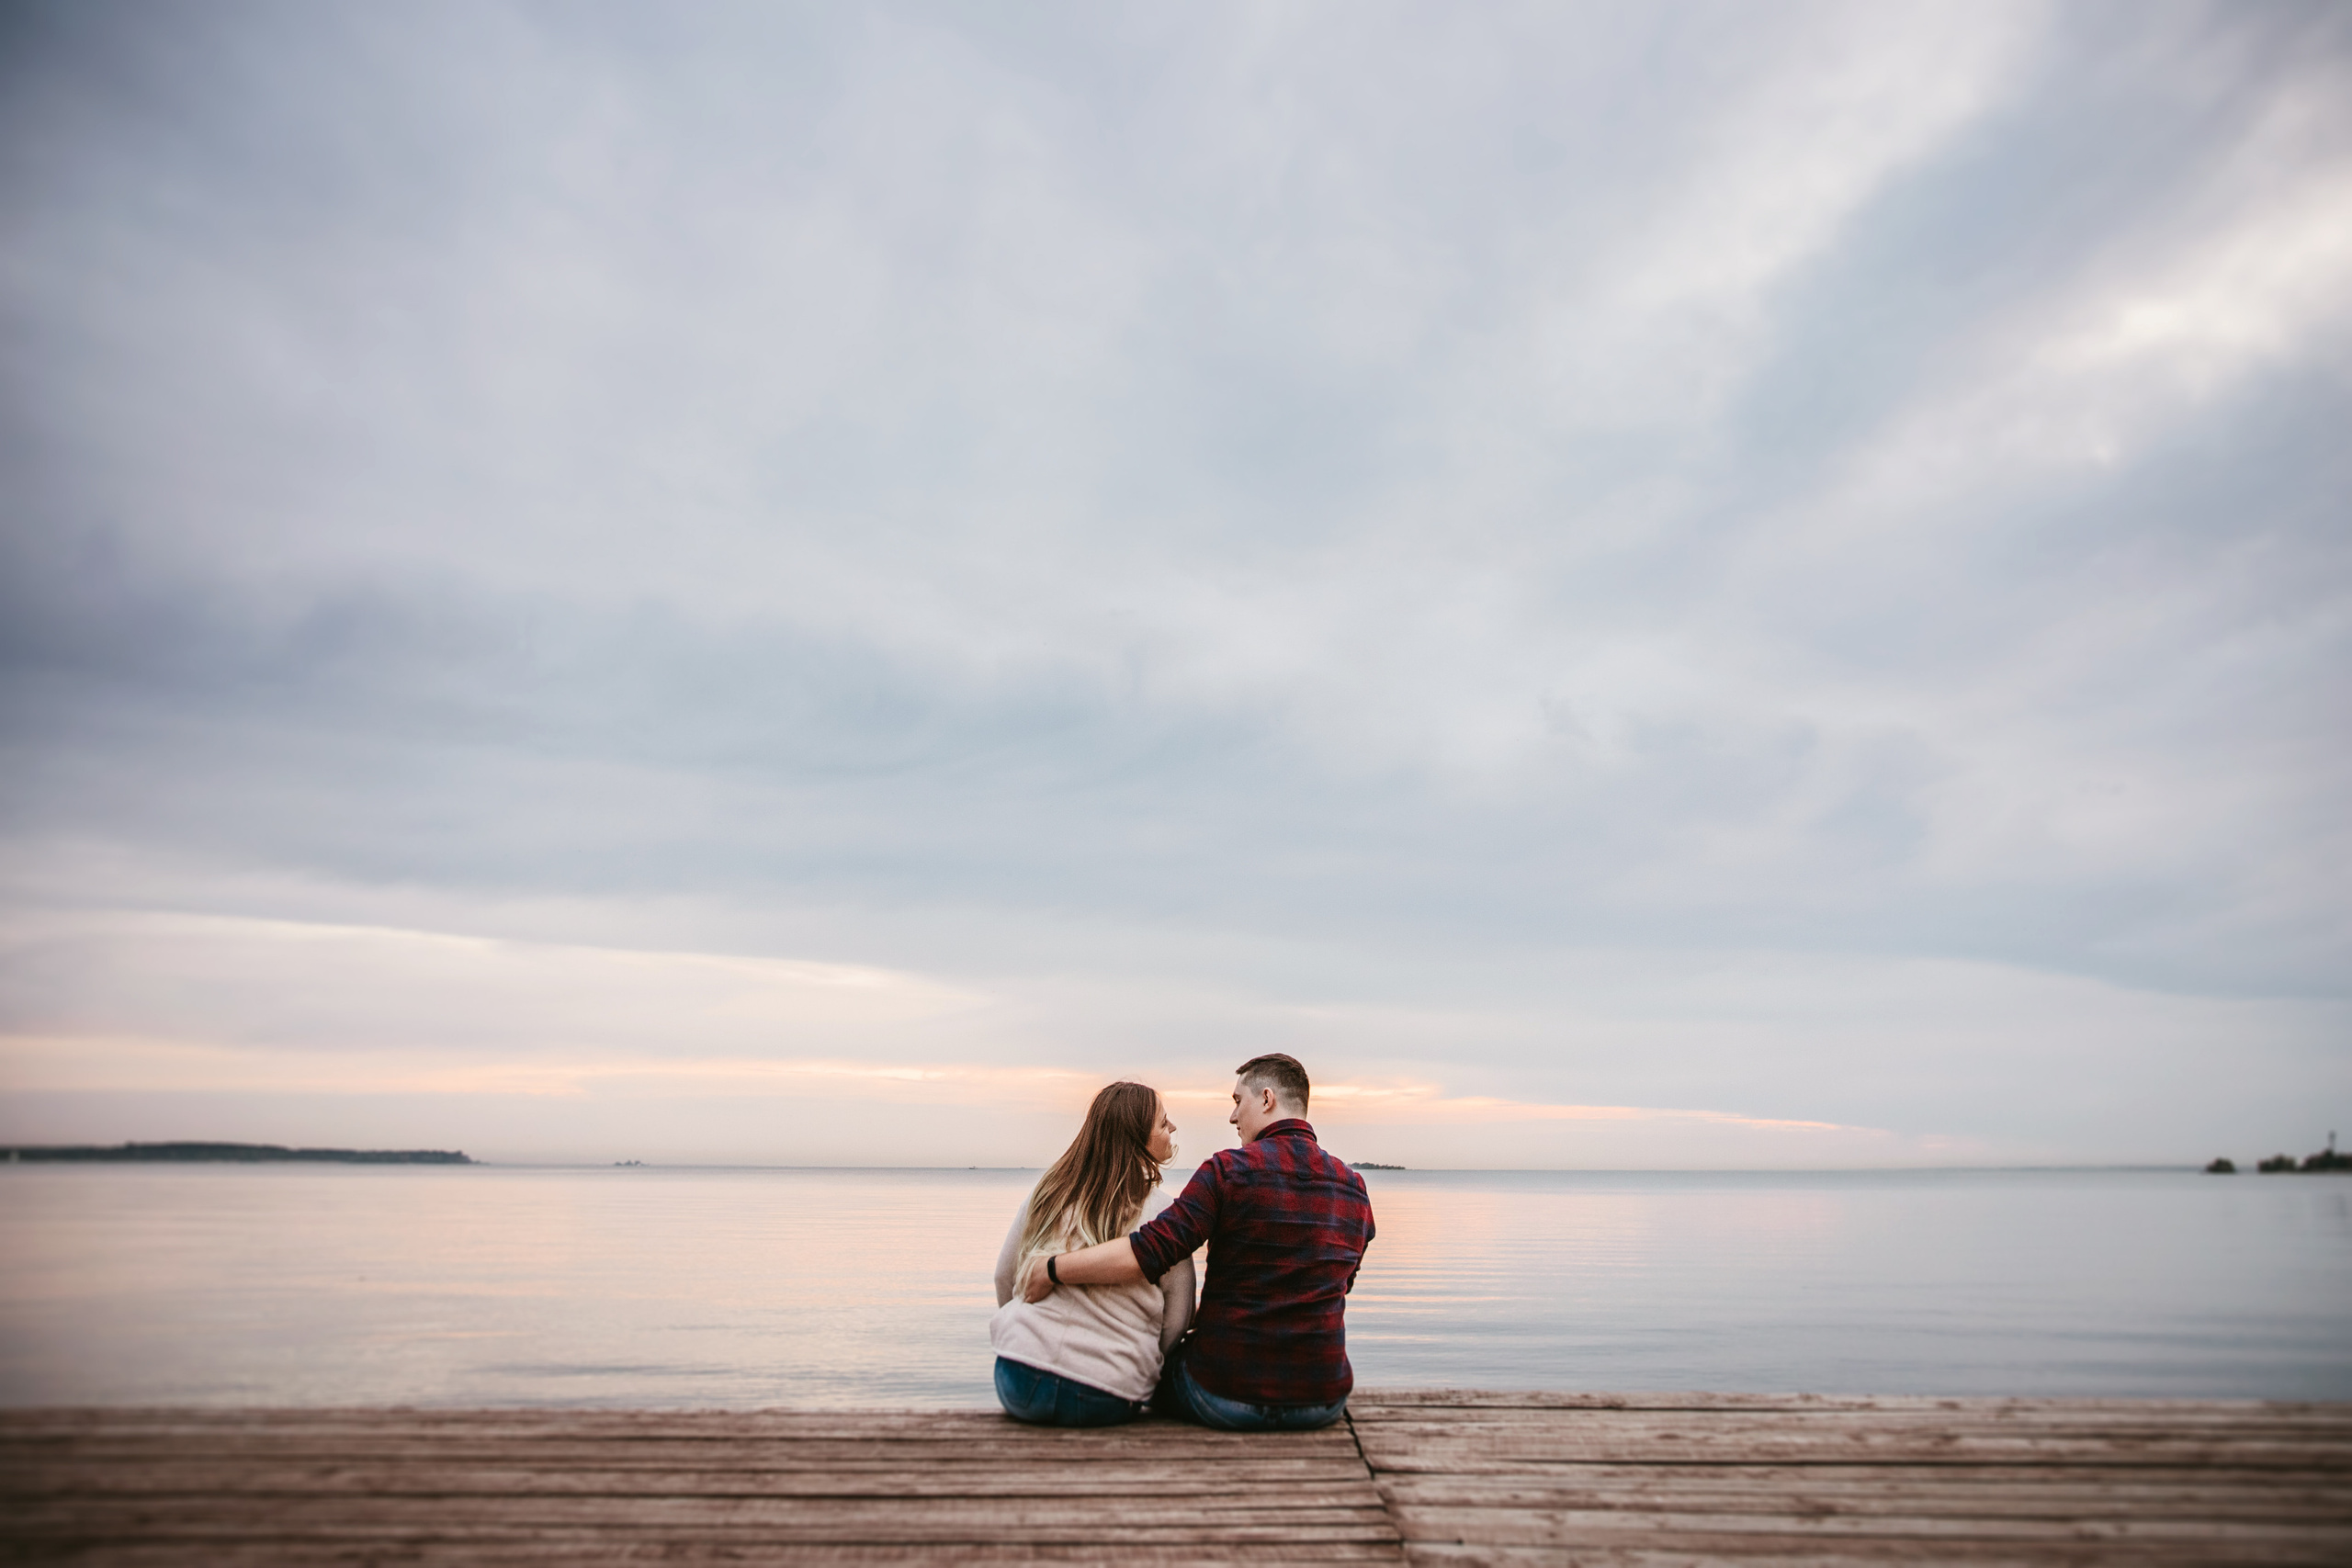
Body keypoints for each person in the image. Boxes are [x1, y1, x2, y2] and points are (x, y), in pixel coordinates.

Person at [1022, 1053, 1374, 1431]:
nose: (1233, 1117)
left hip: (1223, 1396)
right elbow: (1341, 1284)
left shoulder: (1227, 1171)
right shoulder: (1353, 1187)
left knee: (1144, 1371)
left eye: (1239, 1102)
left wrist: (1052, 1269)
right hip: (1321, 1400)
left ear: (1267, 1100)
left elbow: (1149, 1251)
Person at [989, 1081, 1196, 1426]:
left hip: (1018, 1376)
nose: (1171, 1128)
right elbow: (1178, 1318)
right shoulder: (1164, 1216)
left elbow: (1004, 1277)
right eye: (1163, 1123)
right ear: (1137, 1139)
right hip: (1106, 1391)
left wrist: (1030, 1338)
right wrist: (1142, 1362)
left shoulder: (1049, 1192)